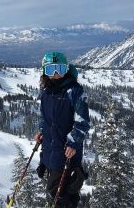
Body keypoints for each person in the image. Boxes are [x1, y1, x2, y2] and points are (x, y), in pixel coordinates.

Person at [35, 51, 90, 208]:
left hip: (66, 151)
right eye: (51, 70)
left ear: (67, 69)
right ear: (45, 72)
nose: (56, 74)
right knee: (64, 191)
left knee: (56, 193)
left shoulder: (74, 91)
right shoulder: (46, 92)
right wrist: (41, 131)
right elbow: (45, 118)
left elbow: (83, 121)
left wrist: (73, 143)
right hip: (50, 150)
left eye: (59, 69)